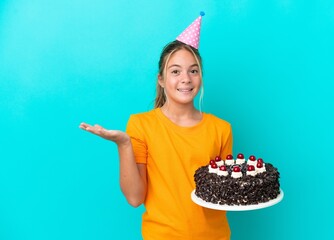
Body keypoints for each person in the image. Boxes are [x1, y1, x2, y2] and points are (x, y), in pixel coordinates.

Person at [79, 13, 233, 240]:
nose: (186, 78)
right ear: (161, 79)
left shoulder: (221, 129)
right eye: (175, 71)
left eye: (193, 70)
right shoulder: (141, 125)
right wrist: (124, 145)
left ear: (200, 76)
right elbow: (135, 198)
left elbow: (224, 197)